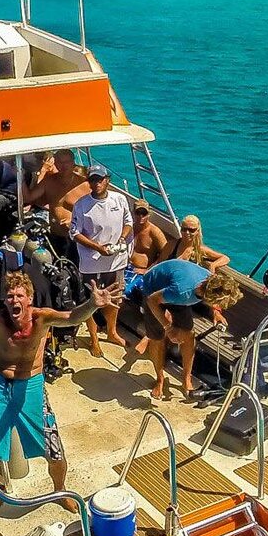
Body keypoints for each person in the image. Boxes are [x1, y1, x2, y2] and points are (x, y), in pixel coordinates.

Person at [0, 266, 118, 508]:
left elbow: (72, 317)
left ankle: (60, 491)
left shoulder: (42, 317)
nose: (14, 300)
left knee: (54, 450)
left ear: (29, 299)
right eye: (9, 296)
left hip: (31, 385)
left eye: (19, 295)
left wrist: (93, 304)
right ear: (4, 300)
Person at [138, 259, 243, 400]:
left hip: (173, 289)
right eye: (216, 303)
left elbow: (214, 293)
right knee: (158, 337)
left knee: (188, 335)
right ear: (206, 296)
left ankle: (186, 379)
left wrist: (216, 312)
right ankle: (160, 379)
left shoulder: (209, 279)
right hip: (153, 290)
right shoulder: (182, 292)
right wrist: (168, 327)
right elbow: (152, 300)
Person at [68, 164, 133, 356]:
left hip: (116, 261)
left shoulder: (120, 199)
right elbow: (74, 233)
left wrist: (122, 239)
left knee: (114, 298)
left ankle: (112, 332)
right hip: (91, 263)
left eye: (100, 179)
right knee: (91, 301)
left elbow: (128, 222)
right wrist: (97, 247)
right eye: (93, 180)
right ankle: (94, 338)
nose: (96, 183)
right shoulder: (81, 205)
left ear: (107, 180)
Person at [24, 149, 90, 242]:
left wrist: (74, 223)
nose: (64, 166)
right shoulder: (48, 182)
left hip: (77, 238)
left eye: (67, 162)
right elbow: (29, 197)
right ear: (55, 162)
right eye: (60, 162)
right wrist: (20, 177)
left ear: (73, 162)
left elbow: (96, 211)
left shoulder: (84, 184)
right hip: (55, 236)